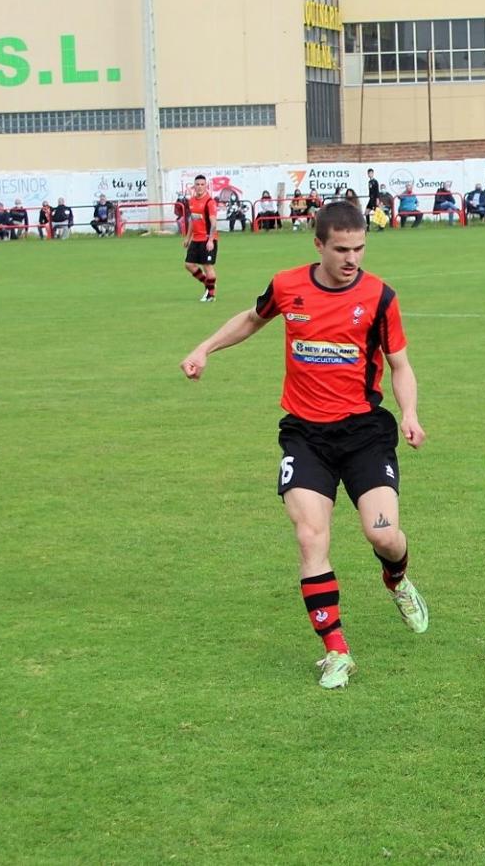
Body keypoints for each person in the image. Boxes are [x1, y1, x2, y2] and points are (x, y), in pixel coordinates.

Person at [180, 200, 430, 690]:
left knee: (383, 535)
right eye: (341, 249)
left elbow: (400, 364)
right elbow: (252, 319)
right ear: (318, 245)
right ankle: (337, 651)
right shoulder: (287, 285)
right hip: (305, 434)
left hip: (364, 433)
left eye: (359, 248)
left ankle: (396, 578)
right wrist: (203, 347)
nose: (352, 258)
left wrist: (411, 415)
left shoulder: (380, 297)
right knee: (310, 537)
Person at [182, 174, 220, 302]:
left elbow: (214, 223)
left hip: (207, 239)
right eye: (197, 184)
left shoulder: (210, 202)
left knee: (207, 266)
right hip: (196, 239)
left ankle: (211, 295)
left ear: (206, 186)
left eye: (202, 185)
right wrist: (188, 237)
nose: (199, 187)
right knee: (188, 264)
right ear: (194, 186)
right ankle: (208, 283)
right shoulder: (191, 201)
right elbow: (192, 220)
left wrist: (210, 240)